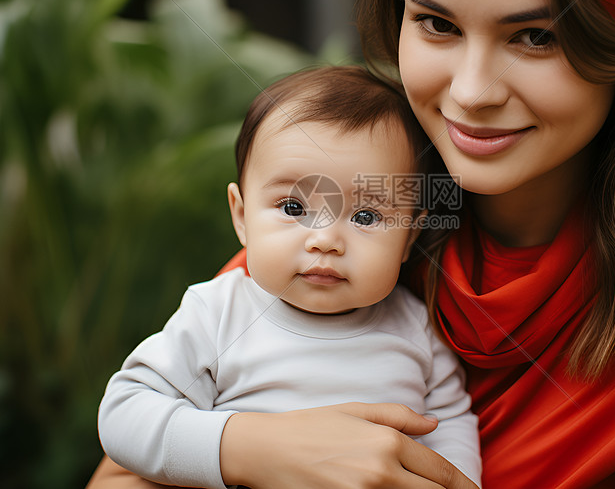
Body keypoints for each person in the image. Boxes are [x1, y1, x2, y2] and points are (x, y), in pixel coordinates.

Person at [89, 0, 615, 487]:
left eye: (535, 36)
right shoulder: (337, 224)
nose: (471, 91)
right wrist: (258, 449)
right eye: (437, 24)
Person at [95, 66, 481, 489]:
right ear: (241, 216)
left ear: (409, 238)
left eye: (366, 216)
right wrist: (229, 449)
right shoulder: (219, 313)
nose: (326, 240)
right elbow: (125, 414)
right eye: (294, 208)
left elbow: (449, 427)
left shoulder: (418, 329)